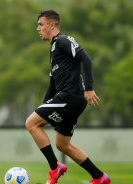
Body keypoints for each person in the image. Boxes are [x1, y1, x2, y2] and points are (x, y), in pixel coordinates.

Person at [25, 10, 111, 184]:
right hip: (71, 99)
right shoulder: (54, 50)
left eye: (40, 24)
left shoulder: (63, 40)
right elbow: (52, 86)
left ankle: (54, 167)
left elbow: (86, 59)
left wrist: (89, 88)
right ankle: (100, 177)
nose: (38, 28)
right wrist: (43, 111)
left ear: (52, 25)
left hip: (71, 97)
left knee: (30, 123)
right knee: (62, 145)